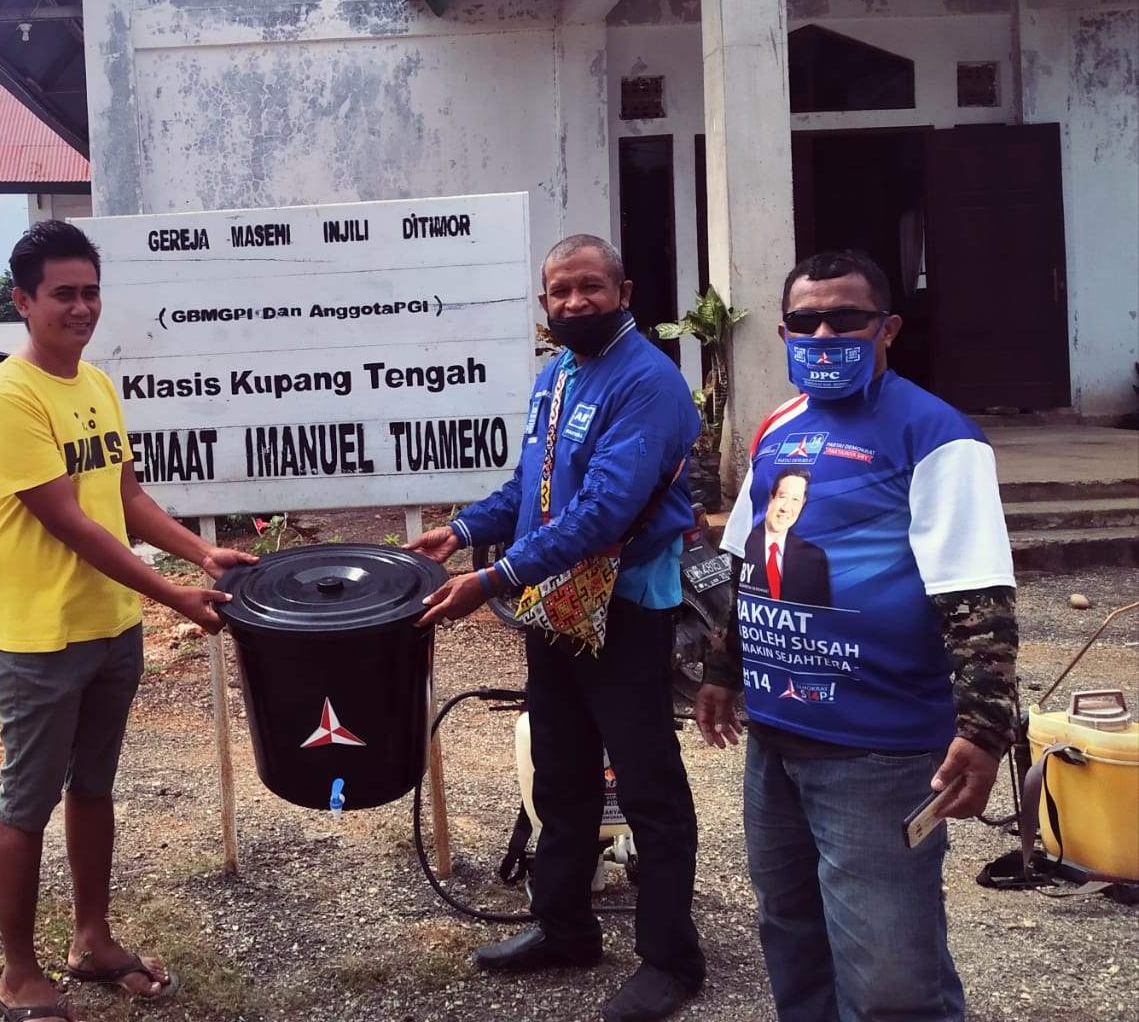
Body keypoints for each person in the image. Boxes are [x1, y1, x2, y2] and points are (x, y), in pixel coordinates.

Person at [694, 250, 1018, 1022]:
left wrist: (983, 728)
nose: (825, 333)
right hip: (775, 739)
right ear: (783, 331)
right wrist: (720, 668)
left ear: (887, 329)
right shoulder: (776, 428)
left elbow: (976, 593)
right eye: (805, 322)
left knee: (888, 977)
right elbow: (744, 563)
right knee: (791, 933)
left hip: (878, 753)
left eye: (847, 319)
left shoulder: (936, 435)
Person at [406, 235, 704, 1022]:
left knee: (647, 787)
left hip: (629, 609)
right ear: (543, 302)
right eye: (558, 292)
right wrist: (464, 532)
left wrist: (493, 579)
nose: (573, 303)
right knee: (560, 774)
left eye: (588, 289)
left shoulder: (647, 383)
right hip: (558, 606)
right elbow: (532, 488)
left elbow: (603, 509)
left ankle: (671, 959)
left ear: (624, 289)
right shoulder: (558, 375)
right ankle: (563, 929)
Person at [0, 221, 256, 1022]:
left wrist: (203, 555)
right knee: (28, 801)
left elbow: (123, 500)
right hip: (37, 638)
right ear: (23, 301)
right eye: (63, 293)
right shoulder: (9, 398)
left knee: (93, 788)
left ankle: (91, 940)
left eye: (90, 291)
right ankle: (20, 973)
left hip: (108, 625)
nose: (82, 307)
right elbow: (73, 524)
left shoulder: (92, 384)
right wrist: (177, 599)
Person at [741, 469, 831, 605]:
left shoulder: (815, 559)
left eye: (795, 499)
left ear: (803, 505)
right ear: (772, 497)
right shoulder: (745, 539)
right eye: (783, 496)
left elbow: (822, 616)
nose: (786, 508)